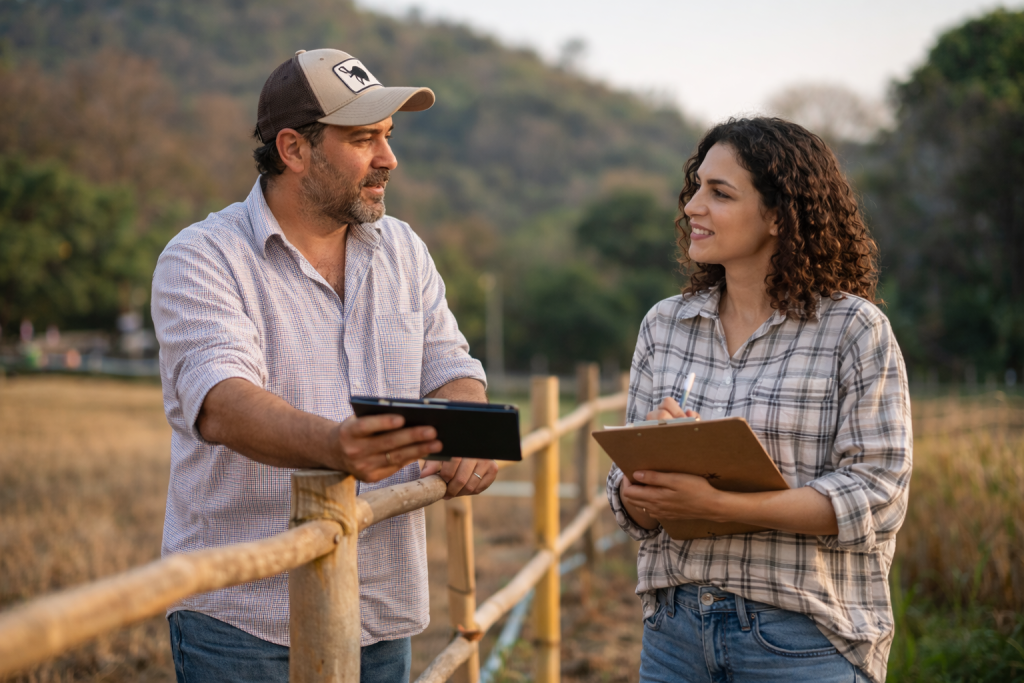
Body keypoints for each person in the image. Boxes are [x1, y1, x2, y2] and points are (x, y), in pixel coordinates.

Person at [151, 48, 498, 683]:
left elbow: (450, 364)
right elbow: (223, 402)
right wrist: (338, 446)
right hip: (245, 618)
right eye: (364, 139)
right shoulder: (203, 257)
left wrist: (466, 423)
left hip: (380, 606)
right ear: (294, 149)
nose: (389, 159)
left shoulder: (405, 250)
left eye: (387, 138)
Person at [607, 117, 911, 683]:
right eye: (696, 187)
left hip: (800, 639)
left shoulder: (852, 329)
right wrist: (644, 476)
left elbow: (878, 495)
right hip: (674, 635)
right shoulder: (664, 325)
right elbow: (632, 508)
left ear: (778, 216)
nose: (693, 206)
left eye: (719, 193)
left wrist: (722, 508)